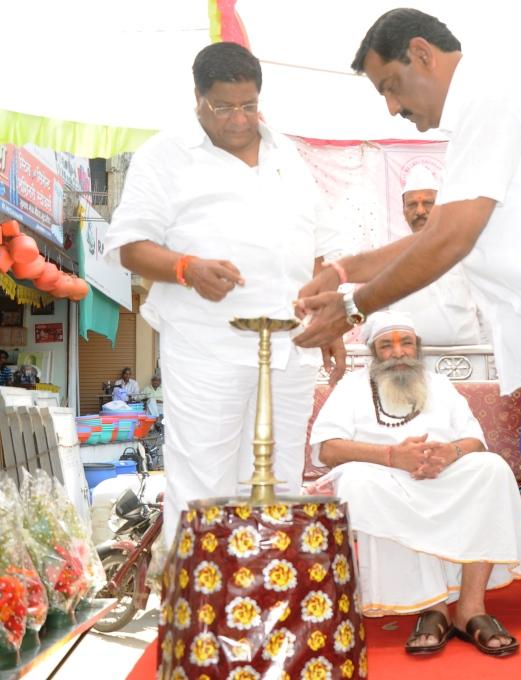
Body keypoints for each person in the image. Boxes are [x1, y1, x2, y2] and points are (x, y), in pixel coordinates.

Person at [292, 9, 521, 678]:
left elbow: (450, 237)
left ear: (421, 54)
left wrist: (351, 306)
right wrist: (345, 269)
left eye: (390, 86)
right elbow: (435, 233)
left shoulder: (494, 95)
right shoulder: (480, 112)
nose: (392, 106)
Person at [104, 42, 346, 547]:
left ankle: (269, 588)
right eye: (223, 107)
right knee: (204, 479)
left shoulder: (287, 155)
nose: (239, 120)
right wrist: (186, 268)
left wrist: (330, 321)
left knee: (280, 478)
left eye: (248, 105)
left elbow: (319, 250)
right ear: (197, 97)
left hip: (290, 347)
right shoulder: (164, 156)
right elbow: (130, 247)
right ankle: (200, 594)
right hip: (207, 347)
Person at [309, 311, 521, 657]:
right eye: (387, 345)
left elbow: (474, 440)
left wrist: (449, 453)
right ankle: (433, 608)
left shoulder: (439, 384)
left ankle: (471, 609)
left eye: (406, 343)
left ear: (417, 347)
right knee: (357, 482)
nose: (398, 352)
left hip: (442, 473)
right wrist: (391, 456)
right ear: (373, 351)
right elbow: (327, 449)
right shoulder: (351, 387)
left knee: (492, 469)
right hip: (381, 475)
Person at [386, 164, 487, 346]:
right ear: (403, 211)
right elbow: (378, 317)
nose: (420, 211)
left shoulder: (466, 252)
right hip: (409, 360)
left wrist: (489, 357)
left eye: (428, 203)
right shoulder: (390, 260)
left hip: (468, 358)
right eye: (412, 205)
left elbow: (487, 313)